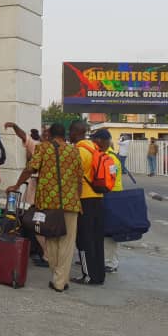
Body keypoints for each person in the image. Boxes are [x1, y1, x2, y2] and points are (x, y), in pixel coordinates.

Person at [6, 123, 82, 292]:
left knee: (51, 240)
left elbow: (29, 169)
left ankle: (58, 278)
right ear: (64, 135)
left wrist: (16, 185)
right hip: (70, 203)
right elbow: (79, 179)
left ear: (50, 134)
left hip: (48, 203)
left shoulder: (43, 149)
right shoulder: (74, 151)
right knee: (67, 243)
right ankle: (60, 280)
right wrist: (77, 199)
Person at [72, 121, 106, 285]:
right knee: (97, 238)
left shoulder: (79, 150)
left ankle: (88, 275)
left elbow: (75, 178)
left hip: (84, 198)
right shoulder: (95, 148)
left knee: (84, 239)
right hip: (98, 197)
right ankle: (99, 274)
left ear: (75, 132)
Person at [99, 131, 124, 273]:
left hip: (111, 196)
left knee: (110, 232)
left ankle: (111, 262)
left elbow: (110, 179)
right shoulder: (107, 156)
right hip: (109, 195)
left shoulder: (110, 158)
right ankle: (106, 259)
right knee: (104, 231)